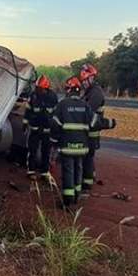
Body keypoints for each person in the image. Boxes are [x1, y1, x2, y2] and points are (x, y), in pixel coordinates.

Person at [49, 77, 92, 208]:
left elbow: (55, 126)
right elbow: (95, 122)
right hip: (81, 147)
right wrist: (110, 123)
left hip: (67, 146)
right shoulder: (85, 105)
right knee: (78, 169)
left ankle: (67, 200)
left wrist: (54, 143)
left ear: (69, 90)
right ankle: (76, 196)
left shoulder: (62, 105)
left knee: (68, 171)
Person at [78, 63, 115, 194]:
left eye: (85, 81)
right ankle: (90, 177)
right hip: (89, 130)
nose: (84, 84)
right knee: (88, 157)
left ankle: (86, 186)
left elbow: (88, 110)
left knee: (87, 157)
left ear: (91, 78)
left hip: (92, 132)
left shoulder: (96, 92)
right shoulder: (91, 91)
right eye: (83, 81)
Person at [23, 75, 58, 177]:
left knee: (46, 151)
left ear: (45, 89)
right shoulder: (33, 96)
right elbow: (28, 110)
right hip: (35, 128)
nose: (38, 90)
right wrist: (25, 123)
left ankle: (44, 171)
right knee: (32, 149)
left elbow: (56, 113)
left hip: (47, 129)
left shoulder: (52, 97)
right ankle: (31, 171)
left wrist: (55, 127)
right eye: (37, 88)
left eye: (40, 89)